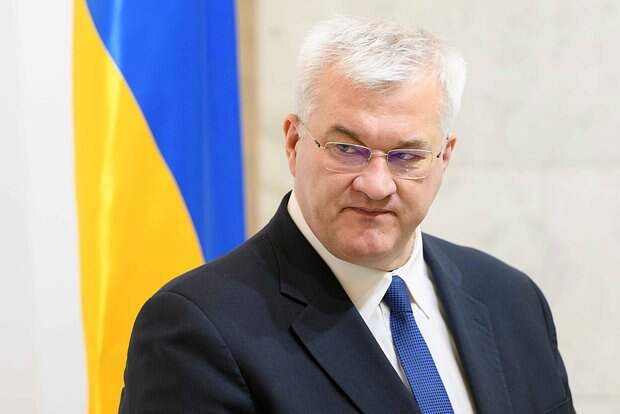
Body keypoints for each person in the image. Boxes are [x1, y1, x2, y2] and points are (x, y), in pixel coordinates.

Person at [119, 17, 574, 414]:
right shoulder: (196, 329)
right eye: (346, 149)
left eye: (407, 156)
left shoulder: (511, 300)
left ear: (445, 157)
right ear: (293, 142)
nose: (376, 184)